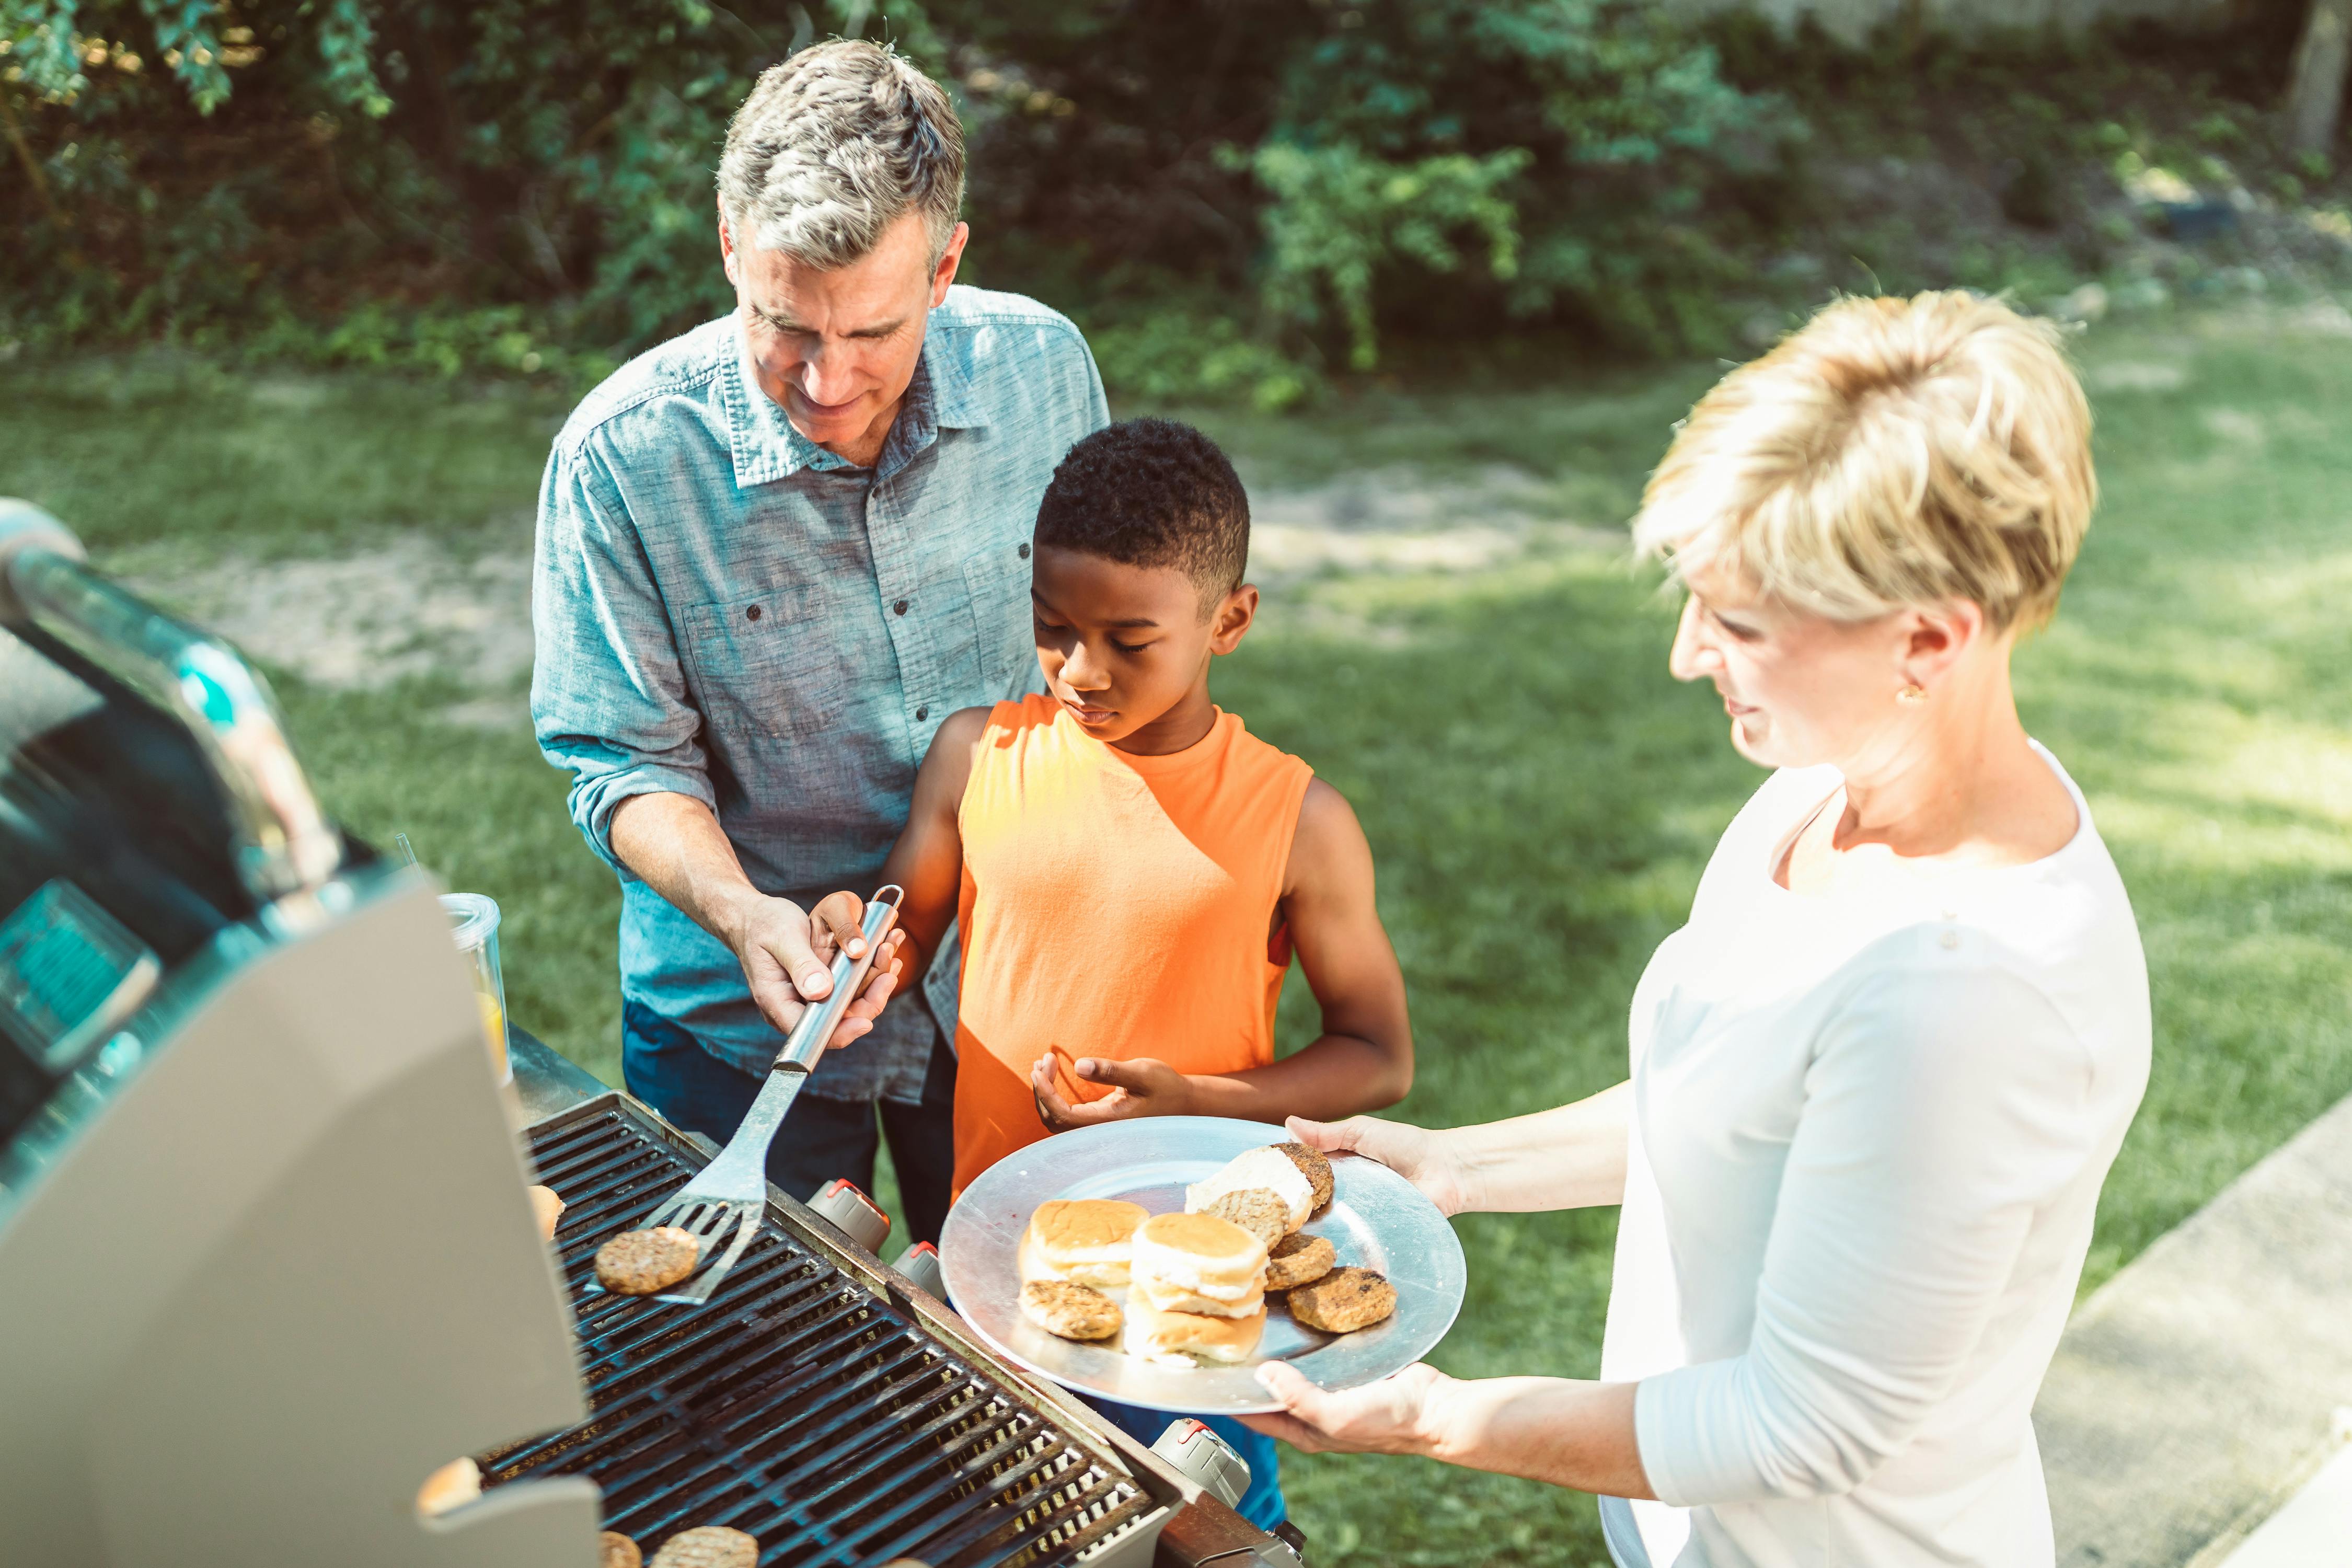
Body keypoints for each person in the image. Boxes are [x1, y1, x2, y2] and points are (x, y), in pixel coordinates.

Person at [1243, 291, 2152, 1568]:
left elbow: (1800, 1429)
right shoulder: (1822, 793)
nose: (1685, 654)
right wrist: (1458, 1168)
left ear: (1929, 639)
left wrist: (1445, 1420)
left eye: (1736, 622)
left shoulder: (1968, 998)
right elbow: (1735, 1101)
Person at [531, 41, 1106, 1249]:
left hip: (1005, 991)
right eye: (785, 327)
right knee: (750, 1391)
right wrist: (744, 913)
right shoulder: (623, 458)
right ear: (732, 247)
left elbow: (1106, 660)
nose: (828, 381)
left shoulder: (1050, 373)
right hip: (734, 1030)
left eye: (875, 333)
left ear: (946, 265)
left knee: (1041, 1353)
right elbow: (621, 762)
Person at [814, 417, 1415, 1533]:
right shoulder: (975, 758)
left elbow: (1379, 1054)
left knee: (1201, 1521)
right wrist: (860, 955)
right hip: (1002, 1254)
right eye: (1054, 630)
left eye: (1130, 641)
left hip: (1191, 1285)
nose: (1083, 671)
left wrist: (1197, 1101)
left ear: (1229, 620)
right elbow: (901, 942)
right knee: (1014, 1507)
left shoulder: (1299, 822)